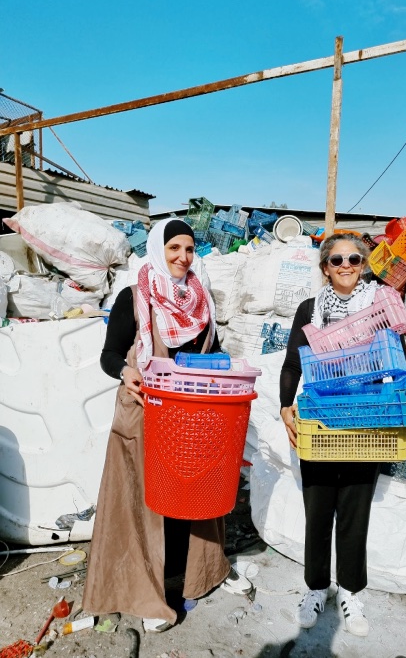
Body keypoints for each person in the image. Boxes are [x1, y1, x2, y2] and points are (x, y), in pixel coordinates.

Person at [83, 218, 251, 633]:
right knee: (145, 505)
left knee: (195, 495)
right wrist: (126, 371)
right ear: (160, 249)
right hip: (145, 413)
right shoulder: (135, 297)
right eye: (174, 248)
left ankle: (200, 572)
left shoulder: (200, 299)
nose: (182, 257)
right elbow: (109, 355)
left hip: (192, 416)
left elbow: (211, 350)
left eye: (189, 249)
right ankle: (147, 593)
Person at [280, 232, 406, 637]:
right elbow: (291, 365)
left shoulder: (381, 306)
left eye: (354, 259)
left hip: (366, 421)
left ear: (363, 263)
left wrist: (401, 404)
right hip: (320, 423)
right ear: (325, 268)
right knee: (317, 513)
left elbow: (401, 361)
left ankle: (351, 592)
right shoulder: (309, 309)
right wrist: (285, 405)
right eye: (337, 260)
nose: (347, 266)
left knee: (355, 515)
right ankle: (316, 587)